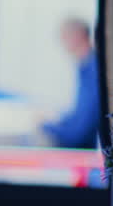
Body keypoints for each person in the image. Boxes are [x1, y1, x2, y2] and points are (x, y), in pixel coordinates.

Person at [41, 18, 101, 149]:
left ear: (76, 37)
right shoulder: (86, 66)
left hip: (84, 150)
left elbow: (79, 132)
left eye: (63, 38)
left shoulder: (93, 68)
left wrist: (45, 126)